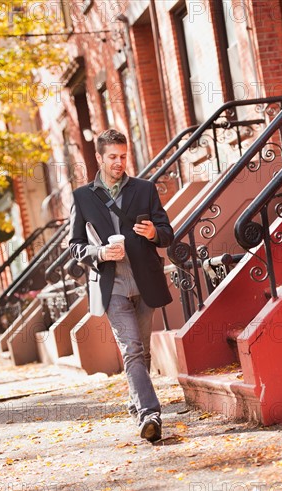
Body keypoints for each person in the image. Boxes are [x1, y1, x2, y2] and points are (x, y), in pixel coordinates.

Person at [69, 129, 174, 443]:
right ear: (99, 158)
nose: (118, 162)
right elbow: (74, 246)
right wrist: (100, 252)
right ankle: (150, 414)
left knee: (141, 352)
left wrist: (154, 233)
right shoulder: (83, 197)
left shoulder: (145, 189)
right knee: (130, 349)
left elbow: (167, 233)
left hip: (145, 281)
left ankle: (137, 399)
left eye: (123, 156)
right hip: (111, 284)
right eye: (112, 157)